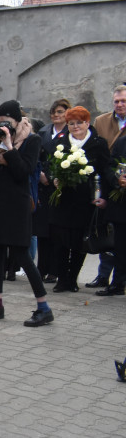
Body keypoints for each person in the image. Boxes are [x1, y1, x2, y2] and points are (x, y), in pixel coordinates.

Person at [0, 101, 53, 326]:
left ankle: (44, 307)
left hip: (17, 205)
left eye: (7, 122)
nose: (3, 126)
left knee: (22, 255)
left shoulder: (32, 140)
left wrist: (9, 147)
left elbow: (23, 172)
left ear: (17, 121)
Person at [49, 106, 112, 292]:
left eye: (79, 122)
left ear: (87, 123)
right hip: (62, 198)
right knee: (60, 241)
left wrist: (103, 195)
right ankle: (61, 279)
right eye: (71, 123)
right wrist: (53, 177)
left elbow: (104, 170)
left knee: (78, 242)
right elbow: (48, 163)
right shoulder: (60, 141)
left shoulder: (98, 143)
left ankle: (72, 279)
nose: (75, 127)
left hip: (84, 200)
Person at [86, 85, 126, 288]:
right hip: (108, 182)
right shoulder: (102, 122)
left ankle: (119, 280)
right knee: (108, 233)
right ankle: (104, 276)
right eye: (116, 101)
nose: (119, 105)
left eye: (123, 101)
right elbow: (102, 157)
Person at [36, 99, 71, 283]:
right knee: (43, 231)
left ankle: (55, 270)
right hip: (43, 185)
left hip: (57, 185)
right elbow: (37, 156)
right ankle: (41, 268)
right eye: (54, 112)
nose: (56, 115)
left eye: (60, 112)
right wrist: (40, 174)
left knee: (56, 232)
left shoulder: (69, 134)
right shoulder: (44, 132)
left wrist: (52, 176)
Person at [94, 134, 126, 296]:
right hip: (122, 204)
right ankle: (118, 283)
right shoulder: (122, 141)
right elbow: (110, 165)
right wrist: (117, 179)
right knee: (120, 246)